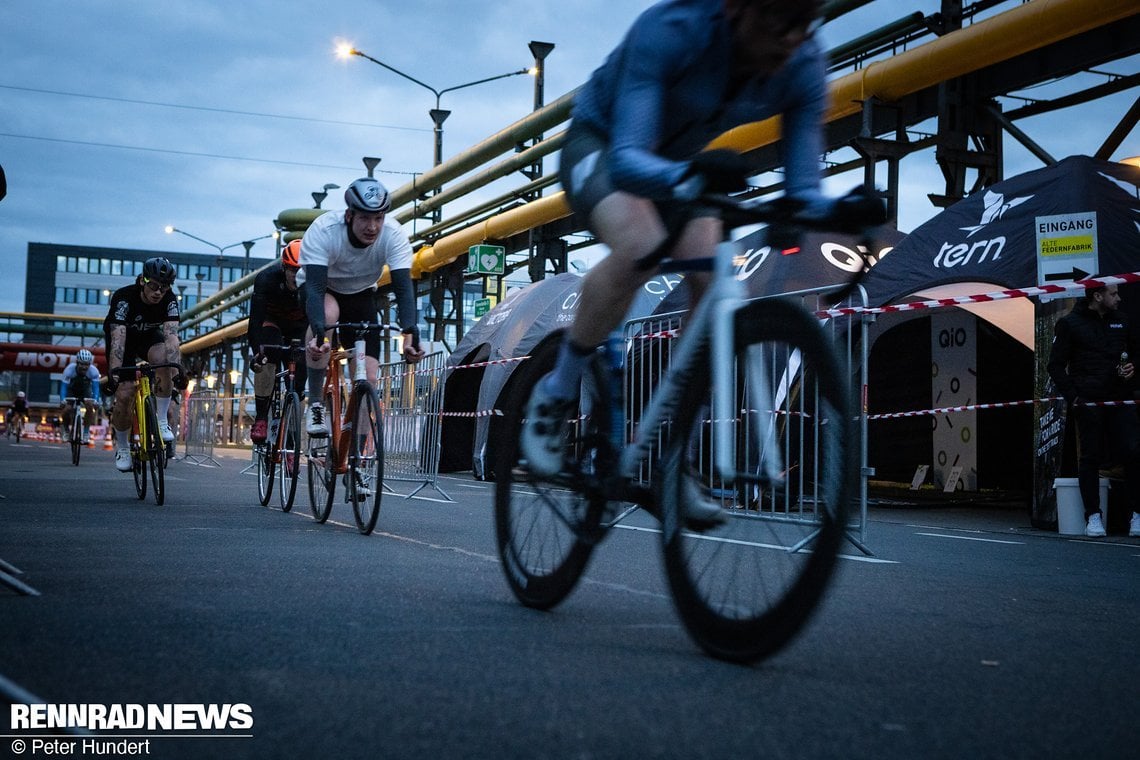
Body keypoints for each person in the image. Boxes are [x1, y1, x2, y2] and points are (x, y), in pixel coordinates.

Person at [521, 0, 883, 488]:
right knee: (641, 245)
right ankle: (557, 392)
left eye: (804, 24)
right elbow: (629, 159)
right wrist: (692, 173)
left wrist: (842, 209)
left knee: (714, 279)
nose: (792, 39)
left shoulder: (803, 65)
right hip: (604, 147)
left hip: (681, 166)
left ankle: (677, 459)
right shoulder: (671, 29)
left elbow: (801, 193)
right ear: (736, 8)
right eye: (779, 19)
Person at [298, 177, 426, 437]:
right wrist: (319, 331)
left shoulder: (394, 234)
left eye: (378, 218)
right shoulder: (324, 231)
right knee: (328, 314)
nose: (372, 227)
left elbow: (403, 289)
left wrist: (411, 331)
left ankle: (359, 458)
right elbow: (314, 289)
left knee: (368, 377)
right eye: (365, 219)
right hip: (322, 288)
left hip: (362, 293)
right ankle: (315, 405)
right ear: (349, 215)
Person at [1047, 282, 1140, 537]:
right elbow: (1054, 365)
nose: (1119, 298)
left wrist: (1133, 367)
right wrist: (1074, 397)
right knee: (1090, 456)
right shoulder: (1070, 324)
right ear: (1097, 296)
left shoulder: (1122, 320)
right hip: (1088, 401)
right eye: (1113, 293)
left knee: (1133, 451)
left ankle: (1136, 514)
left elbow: (1136, 354)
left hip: (1120, 399)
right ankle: (1093, 517)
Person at [102, 257, 185, 472]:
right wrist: (115, 375)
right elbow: (118, 340)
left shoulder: (169, 300)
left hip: (148, 337)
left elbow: (172, 337)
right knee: (125, 393)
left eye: (164, 288)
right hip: (124, 340)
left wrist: (178, 371)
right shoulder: (124, 298)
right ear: (142, 281)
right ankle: (122, 447)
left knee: (164, 361)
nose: (158, 292)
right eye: (154, 286)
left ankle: (161, 421)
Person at [247, 239, 308, 444]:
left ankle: (291, 442)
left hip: (299, 328)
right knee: (267, 354)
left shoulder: (314, 282)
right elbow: (255, 321)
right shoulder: (266, 279)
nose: (297, 275)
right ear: (284, 268)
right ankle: (262, 416)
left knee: (299, 380)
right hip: (272, 322)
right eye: (293, 270)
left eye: (302, 270)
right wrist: (257, 352)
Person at [59, 348, 102, 444]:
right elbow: (63, 387)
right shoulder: (69, 369)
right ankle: (66, 430)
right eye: (82, 364)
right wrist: (62, 400)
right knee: (66, 409)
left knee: (90, 407)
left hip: (85, 390)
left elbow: (96, 388)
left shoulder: (94, 371)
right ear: (77, 363)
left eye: (86, 364)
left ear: (90, 364)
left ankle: (86, 432)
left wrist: (96, 400)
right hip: (71, 390)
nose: (84, 367)